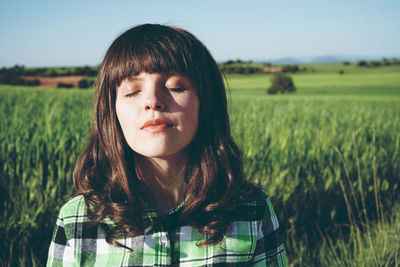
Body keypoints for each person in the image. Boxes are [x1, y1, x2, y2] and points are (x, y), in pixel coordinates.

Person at [47, 23, 287, 266]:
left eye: (175, 87)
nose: (152, 101)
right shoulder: (77, 219)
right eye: (132, 91)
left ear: (207, 103)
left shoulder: (252, 211)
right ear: (112, 111)